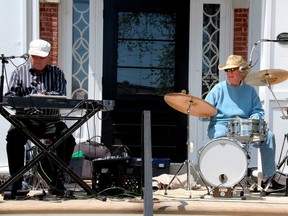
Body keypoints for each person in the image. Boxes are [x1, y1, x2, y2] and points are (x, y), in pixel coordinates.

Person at [5, 39, 76, 198]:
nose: (37, 60)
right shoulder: (19, 72)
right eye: (34, 56)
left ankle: (57, 184)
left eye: (41, 57)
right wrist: (28, 102)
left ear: (49, 57)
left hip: (51, 121)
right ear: (29, 55)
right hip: (26, 121)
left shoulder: (57, 72)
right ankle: (15, 184)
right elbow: (11, 96)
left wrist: (41, 97)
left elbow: (60, 94)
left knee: (68, 140)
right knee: (13, 137)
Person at [204, 54, 284, 191]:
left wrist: (252, 119)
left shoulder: (250, 90)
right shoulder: (218, 89)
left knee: (269, 136)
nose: (229, 73)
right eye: (227, 70)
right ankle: (224, 178)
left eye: (233, 69)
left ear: (242, 71)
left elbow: (258, 111)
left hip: (245, 126)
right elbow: (204, 109)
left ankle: (268, 179)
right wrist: (204, 112)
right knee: (223, 136)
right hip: (221, 125)